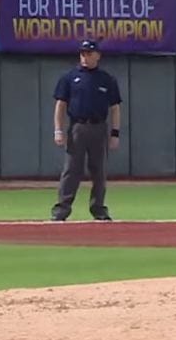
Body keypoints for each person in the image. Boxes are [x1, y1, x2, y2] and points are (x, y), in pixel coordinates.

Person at [50, 39, 122, 221]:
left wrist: (115, 133)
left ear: (98, 56)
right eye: (82, 53)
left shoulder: (107, 79)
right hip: (78, 127)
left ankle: (98, 208)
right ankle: (62, 209)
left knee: (99, 171)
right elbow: (60, 105)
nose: (85, 57)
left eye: (89, 53)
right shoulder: (70, 78)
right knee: (71, 169)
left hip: (99, 127)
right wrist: (58, 130)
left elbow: (115, 108)